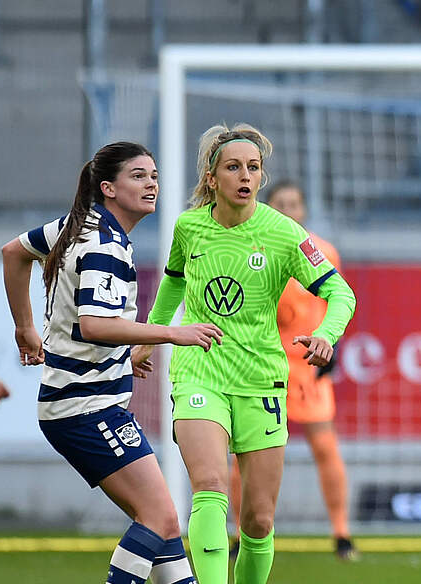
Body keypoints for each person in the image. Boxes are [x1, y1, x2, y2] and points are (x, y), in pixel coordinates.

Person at [145, 124, 356, 584]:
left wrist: (327, 334)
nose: (245, 175)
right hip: (200, 371)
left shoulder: (285, 234)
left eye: (253, 168)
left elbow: (341, 293)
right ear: (212, 176)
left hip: (261, 378)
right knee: (210, 486)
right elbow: (174, 282)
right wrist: (152, 335)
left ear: (261, 177)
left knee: (258, 520)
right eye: (234, 167)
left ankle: (338, 532)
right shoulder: (189, 227)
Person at [1, 141, 220, 584]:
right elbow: (95, 325)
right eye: (138, 176)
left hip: (83, 403)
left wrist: (25, 326)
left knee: (166, 525)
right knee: (157, 517)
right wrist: (172, 333)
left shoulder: (76, 226)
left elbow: (13, 252)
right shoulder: (104, 244)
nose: (152, 184)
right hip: (84, 408)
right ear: (109, 188)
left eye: (154, 175)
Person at [227, 181, 358, 561]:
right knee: (245, 455)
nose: (288, 210)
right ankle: (240, 534)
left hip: (308, 366)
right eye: (280, 203)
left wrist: (330, 345)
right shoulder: (251, 249)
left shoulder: (322, 252)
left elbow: (337, 300)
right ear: (267, 208)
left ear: (303, 210)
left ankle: (342, 534)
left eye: (294, 204)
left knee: (324, 446)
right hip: (263, 364)